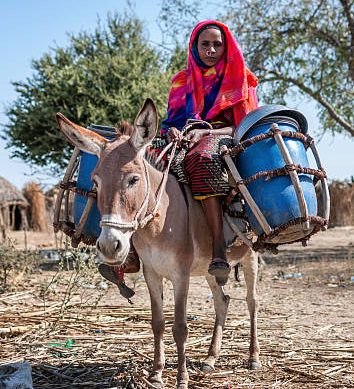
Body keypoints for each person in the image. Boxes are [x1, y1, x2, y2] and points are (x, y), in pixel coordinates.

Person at [99, 20, 258, 295]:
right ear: (195, 47)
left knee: (203, 160)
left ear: (226, 47)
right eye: (204, 44)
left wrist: (206, 131)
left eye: (216, 45)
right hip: (183, 138)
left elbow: (244, 125)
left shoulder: (240, 78)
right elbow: (172, 120)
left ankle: (218, 246)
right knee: (131, 162)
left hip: (224, 138)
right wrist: (172, 130)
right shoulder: (182, 80)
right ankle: (131, 251)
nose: (210, 50)